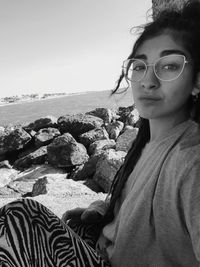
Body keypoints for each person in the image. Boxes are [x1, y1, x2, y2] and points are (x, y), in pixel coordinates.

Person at [1, 1, 200, 266]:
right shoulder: (149, 142)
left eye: (169, 66)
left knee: (19, 216)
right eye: (140, 66)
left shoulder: (192, 160)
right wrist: (106, 213)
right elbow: (144, 207)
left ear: (197, 81)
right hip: (105, 250)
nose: (148, 80)